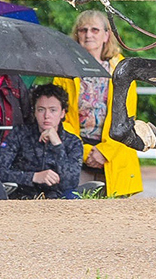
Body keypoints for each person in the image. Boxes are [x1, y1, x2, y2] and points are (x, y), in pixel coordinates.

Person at [54, 10, 146, 197]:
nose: (88, 35)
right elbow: (58, 117)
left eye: (95, 30)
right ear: (77, 35)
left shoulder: (122, 70)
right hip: (77, 153)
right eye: (83, 30)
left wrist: (105, 152)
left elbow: (127, 118)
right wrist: (84, 151)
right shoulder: (65, 70)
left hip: (115, 153)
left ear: (106, 35)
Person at [0, 84, 83, 198]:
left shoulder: (73, 142)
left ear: (62, 113)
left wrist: (57, 145)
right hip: (20, 198)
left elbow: (71, 183)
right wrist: (33, 177)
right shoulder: (20, 134)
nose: (47, 116)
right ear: (35, 112)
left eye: (53, 110)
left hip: (56, 202)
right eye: (41, 110)